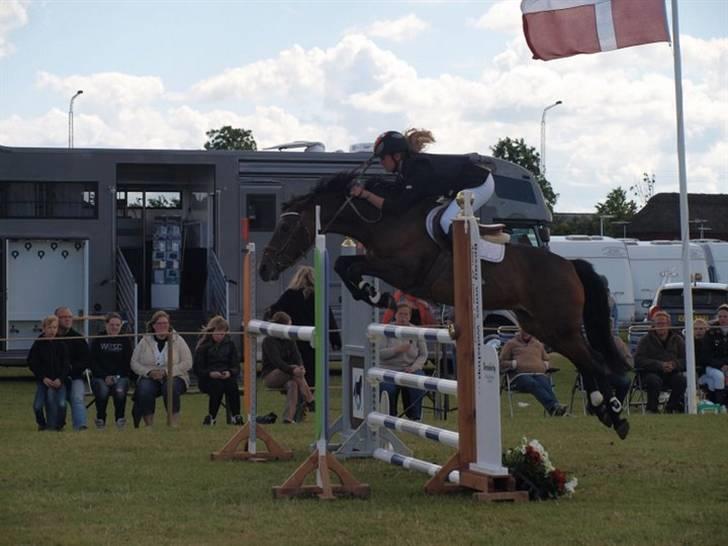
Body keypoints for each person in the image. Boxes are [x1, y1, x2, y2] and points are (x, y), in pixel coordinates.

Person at [349, 129, 495, 238]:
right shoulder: (407, 169)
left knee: (446, 222)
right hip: (460, 188)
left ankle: (471, 265)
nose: (381, 163)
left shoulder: (417, 170)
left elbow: (397, 207)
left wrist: (366, 195)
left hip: (478, 184)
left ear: (397, 156)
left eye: (383, 158)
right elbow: (395, 192)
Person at [266, 265, 341, 386]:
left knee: (299, 372)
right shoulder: (319, 296)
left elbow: (275, 310)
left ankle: (303, 399)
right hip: (316, 341)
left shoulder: (289, 295)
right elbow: (329, 319)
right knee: (314, 373)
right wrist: (335, 340)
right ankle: (311, 398)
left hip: (295, 341)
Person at [130, 311, 192, 426]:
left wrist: (166, 372)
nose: (163, 326)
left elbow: (188, 362)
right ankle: (149, 425)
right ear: (153, 326)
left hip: (175, 376)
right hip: (150, 377)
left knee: (170, 387)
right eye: (159, 323)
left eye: (165, 323)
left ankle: (173, 424)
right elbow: (134, 362)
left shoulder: (178, 340)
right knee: (144, 389)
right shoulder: (144, 341)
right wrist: (148, 372)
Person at [261, 311, 315, 424]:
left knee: (293, 384)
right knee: (294, 371)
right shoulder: (268, 341)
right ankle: (310, 399)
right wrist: (293, 369)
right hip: (271, 376)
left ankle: (288, 418)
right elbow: (277, 362)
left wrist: (301, 367)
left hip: (291, 374)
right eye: (288, 326)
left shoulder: (289, 339)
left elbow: (297, 355)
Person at [378, 303, 429, 421]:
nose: (403, 317)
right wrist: (396, 350)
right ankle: (390, 416)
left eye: (406, 314)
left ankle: (414, 416)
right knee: (388, 388)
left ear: (410, 316)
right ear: (395, 315)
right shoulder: (386, 330)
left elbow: (423, 354)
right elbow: (379, 354)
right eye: (400, 314)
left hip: (410, 368)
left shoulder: (416, 331)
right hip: (388, 368)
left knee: (418, 383)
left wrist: (415, 367)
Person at [499, 329, 567, 416]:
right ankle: (553, 408)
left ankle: (556, 409)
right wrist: (513, 364)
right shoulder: (511, 344)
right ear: (520, 331)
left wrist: (545, 365)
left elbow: (546, 359)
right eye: (523, 331)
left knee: (545, 382)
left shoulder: (538, 344)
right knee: (532, 383)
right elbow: (501, 362)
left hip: (538, 374)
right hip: (518, 377)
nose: (526, 333)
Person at [634, 310, 687, 413]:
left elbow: (685, 360)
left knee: (681, 380)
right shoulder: (645, 340)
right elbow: (638, 360)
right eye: (658, 323)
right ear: (653, 325)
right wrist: (659, 365)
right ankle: (652, 409)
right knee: (654, 380)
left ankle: (671, 408)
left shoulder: (678, 340)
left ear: (669, 324)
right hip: (650, 373)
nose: (661, 326)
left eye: (663, 323)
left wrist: (674, 364)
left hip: (672, 373)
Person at [194, 315, 243, 426]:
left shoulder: (230, 345)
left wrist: (229, 372)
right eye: (218, 332)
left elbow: (236, 365)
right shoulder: (203, 347)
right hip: (207, 379)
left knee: (232, 385)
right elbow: (197, 368)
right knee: (217, 386)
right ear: (212, 331)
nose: (220, 336)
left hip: (226, 376)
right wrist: (210, 373)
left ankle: (236, 415)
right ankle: (212, 417)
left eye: (223, 333)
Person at [89, 312, 132, 429]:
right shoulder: (98, 340)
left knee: (119, 391)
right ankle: (101, 419)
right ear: (106, 324)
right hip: (100, 377)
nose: (115, 327)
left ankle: (120, 420)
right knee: (102, 391)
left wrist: (116, 377)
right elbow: (92, 362)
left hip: (120, 376)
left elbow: (127, 363)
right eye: (112, 325)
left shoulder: (125, 340)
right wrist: (104, 377)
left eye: (117, 325)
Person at [27, 315, 70, 431]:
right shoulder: (38, 343)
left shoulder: (61, 344)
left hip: (59, 381)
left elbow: (66, 365)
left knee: (61, 404)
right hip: (43, 381)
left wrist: (60, 379)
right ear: (44, 328)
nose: (52, 330)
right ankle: (42, 424)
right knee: (37, 406)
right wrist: (43, 378)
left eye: (55, 328)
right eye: (50, 328)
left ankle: (60, 425)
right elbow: (32, 363)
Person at [55, 307, 91, 431]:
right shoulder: (48, 338)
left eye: (70, 317)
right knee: (60, 402)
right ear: (56, 319)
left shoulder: (78, 338)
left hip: (75, 377)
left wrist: (72, 369)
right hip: (56, 378)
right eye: (64, 317)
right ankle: (57, 425)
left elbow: (86, 360)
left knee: (77, 398)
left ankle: (80, 426)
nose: (68, 319)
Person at [702, 305, 728, 405]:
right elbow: (706, 356)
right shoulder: (710, 333)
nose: (722, 319)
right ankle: (719, 405)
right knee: (719, 377)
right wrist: (721, 365)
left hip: (725, 365)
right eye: (720, 316)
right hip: (712, 366)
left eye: (725, 316)